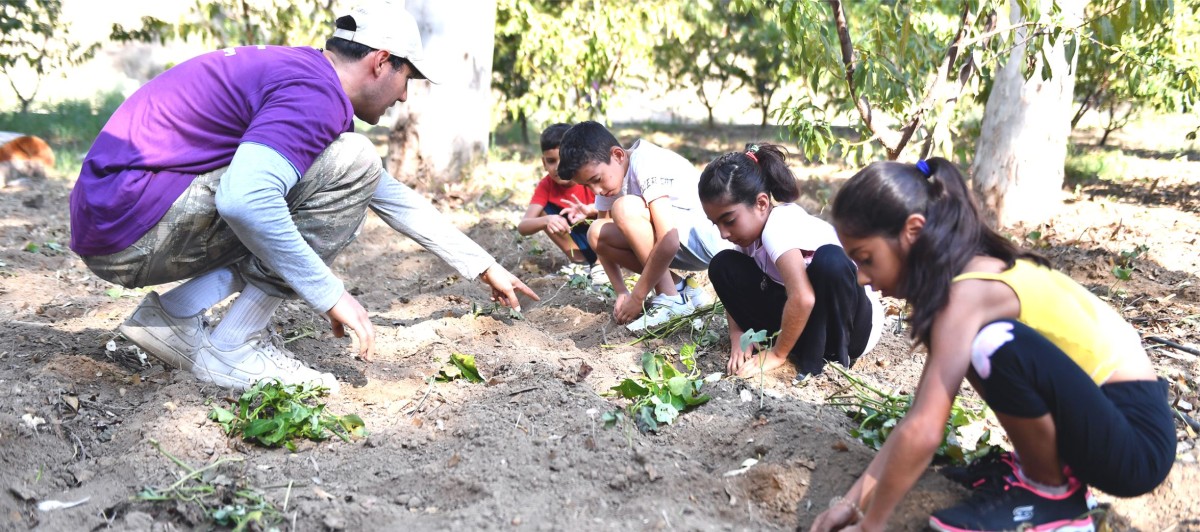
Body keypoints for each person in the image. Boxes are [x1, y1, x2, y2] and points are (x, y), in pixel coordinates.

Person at [68, 0, 538, 394]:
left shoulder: (302, 74)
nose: (402, 99)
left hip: (121, 219)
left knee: (348, 167)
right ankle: (235, 346)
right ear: (380, 61)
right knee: (343, 165)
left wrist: (482, 265)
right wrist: (331, 295)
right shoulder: (313, 93)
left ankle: (172, 317)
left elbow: (382, 190)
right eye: (407, 80)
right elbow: (245, 200)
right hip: (133, 227)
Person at [811, 158, 1173, 531]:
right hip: (1106, 424)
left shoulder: (968, 292)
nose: (862, 279)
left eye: (866, 259)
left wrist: (871, 525)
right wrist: (851, 503)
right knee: (980, 346)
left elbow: (925, 428)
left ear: (913, 232)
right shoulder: (961, 283)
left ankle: (1052, 497)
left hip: (1136, 442)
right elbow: (919, 417)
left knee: (992, 344)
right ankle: (1043, 475)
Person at [698, 144, 882, 379]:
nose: (723, 232)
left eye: (729, 220)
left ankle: (824, 361)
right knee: (723, 265)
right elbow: (734, 295)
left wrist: (777, 354)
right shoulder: (747, 237)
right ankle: (800, 348)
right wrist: (738, 336)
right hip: (811, 324)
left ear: (762, 203)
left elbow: (803, 297)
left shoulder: (778, 226)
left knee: (830, 261)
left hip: (850, 329)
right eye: (716, 224)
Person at [556, 121, 730, 331]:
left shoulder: (645, 161)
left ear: (618, 155)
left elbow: (669, 239)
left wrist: (638, 296)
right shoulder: (611, 180)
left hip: (707, 241)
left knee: (625, 208)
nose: (597, 190)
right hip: (678, 245)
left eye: (596, 179)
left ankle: (670, 299)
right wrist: (622, 292)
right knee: (596, 232)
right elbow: (600, 235)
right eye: (588, 185)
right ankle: (682, 289)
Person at [515, 123, 605, 286]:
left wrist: (590, 210)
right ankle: (580, 265)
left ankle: (601, 266)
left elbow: (612, 208)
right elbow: (523, 227)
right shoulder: (546, 185)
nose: (558, 167)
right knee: (544, 213)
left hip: (606, 245)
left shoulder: (588, 178)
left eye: (563, 159)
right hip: (578, 242)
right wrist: (548, 220)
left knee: (607, 214)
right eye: (551, 161)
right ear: (543, 163)